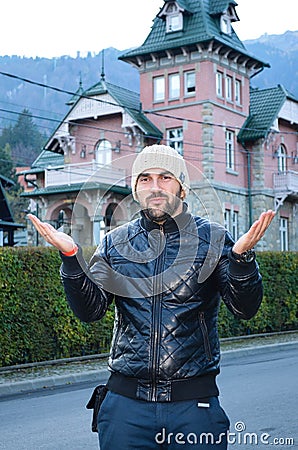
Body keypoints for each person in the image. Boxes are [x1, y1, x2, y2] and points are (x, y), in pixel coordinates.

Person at [28, 145, 275, 449]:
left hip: (193, 407)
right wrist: (71, 257)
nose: (155, 187)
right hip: (125, 409)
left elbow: (244, 307)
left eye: (165, 178)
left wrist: (241, 259)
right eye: (145, 179)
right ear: (136, 188)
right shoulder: (116, 242)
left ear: (182, 186)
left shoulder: (212, 238)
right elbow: (90, 310)